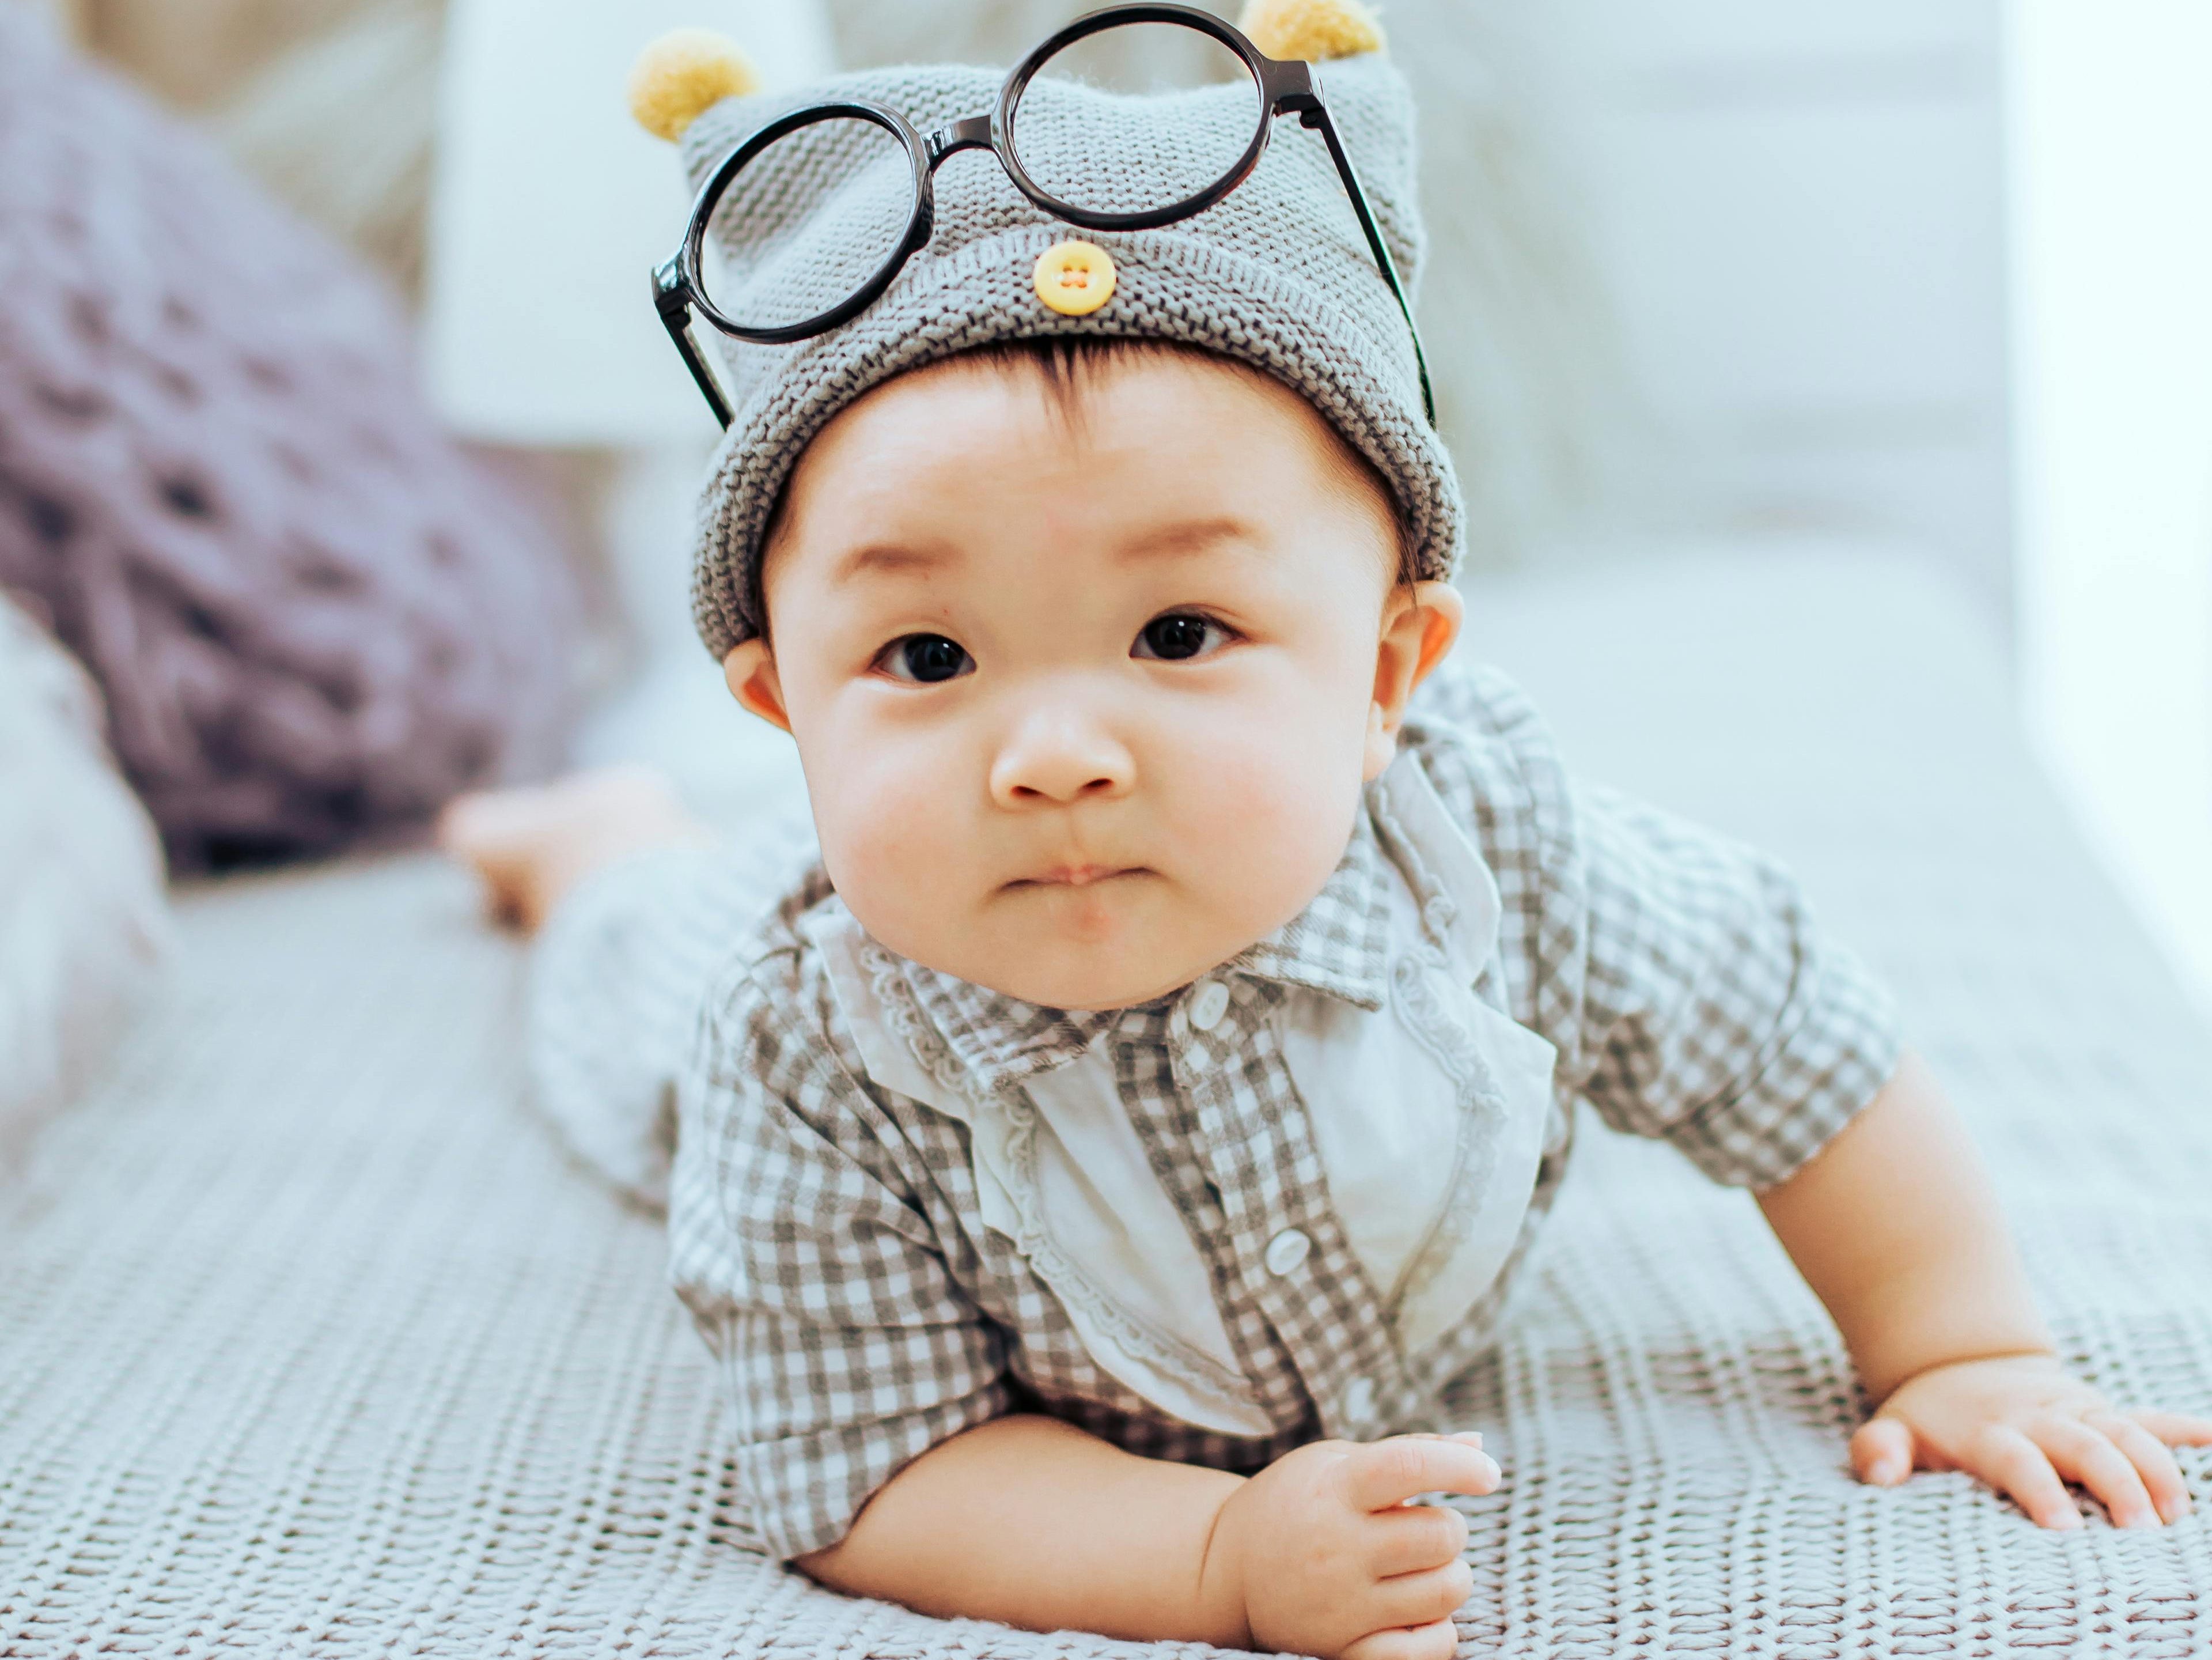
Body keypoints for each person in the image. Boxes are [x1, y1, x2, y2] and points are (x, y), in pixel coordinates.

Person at [444, 4, 2212, 1655]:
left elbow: (1799, 1041)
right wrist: (1210, 1559)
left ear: (1388, 673)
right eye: (926, 656)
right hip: (712, 943)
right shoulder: (804, 1042)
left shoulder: (1500, 852)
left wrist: (1964, 1347)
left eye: (1180, 635)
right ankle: (590, 843)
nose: (1054, 752)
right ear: (787, 706)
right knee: (625, 961)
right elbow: (872, 1474)